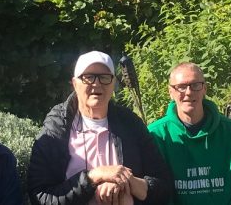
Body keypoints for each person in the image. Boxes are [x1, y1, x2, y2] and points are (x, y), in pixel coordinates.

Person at [26, 51, 173, 205]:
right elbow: (40, 196)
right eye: (88, 77)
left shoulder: (130, 124)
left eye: (104, 77)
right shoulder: (56, 129)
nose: (96, 84)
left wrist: (126, 182)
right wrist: (93, 177)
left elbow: (162, 188)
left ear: (113, 83)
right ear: (75, 84)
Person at [147, 63, 231, 204]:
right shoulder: (156, 134)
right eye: (181, 87)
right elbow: (153, 188)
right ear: (170, 92)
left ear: (204, 89)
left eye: (195, 85)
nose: (189, 92)